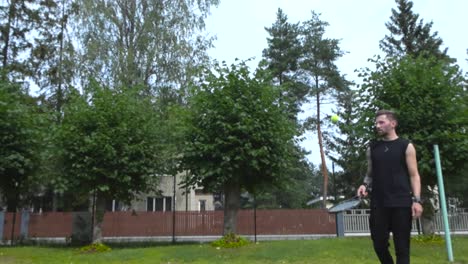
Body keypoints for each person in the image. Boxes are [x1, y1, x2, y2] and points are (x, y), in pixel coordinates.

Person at [357, 109, 423, 264]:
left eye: (381, 122)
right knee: (379, 244)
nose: (377, 125)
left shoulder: (406, 146)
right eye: (376, 123)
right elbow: (370, 173)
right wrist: (364, 185)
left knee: (402, 248)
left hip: (401, 202)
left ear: (393, 124)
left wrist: (417, 200)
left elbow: (414, 175)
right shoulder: (372, 147)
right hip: (379, 203)